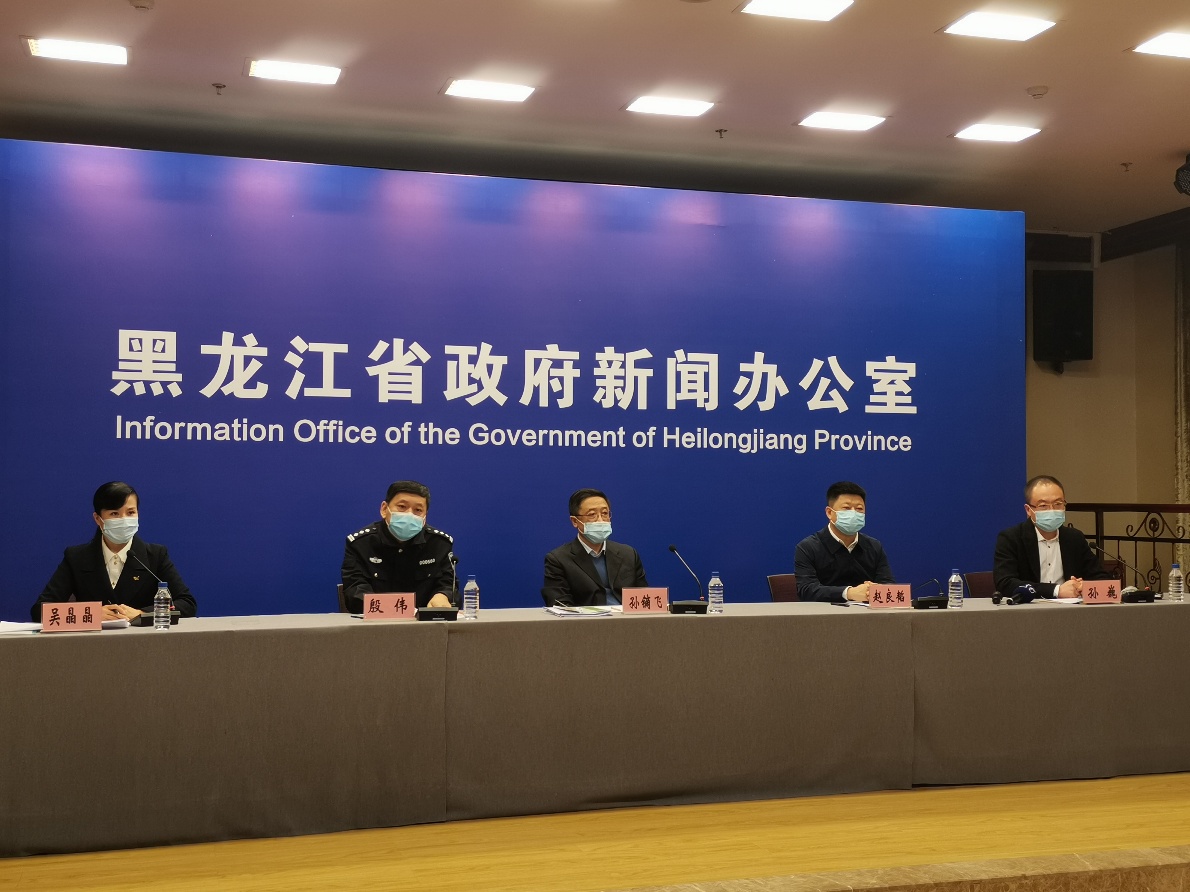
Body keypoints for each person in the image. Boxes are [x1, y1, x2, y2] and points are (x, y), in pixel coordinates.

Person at [31, 481, 197, 622]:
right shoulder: (77, 557)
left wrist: (142, 613)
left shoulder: (156, 555)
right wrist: (91, 614)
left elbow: (187, 604)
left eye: (130, 512)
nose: (124, 519)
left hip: (143, 644)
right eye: (114, 514)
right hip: (91, 645)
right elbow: (40, 610)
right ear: (98, 519)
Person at [341, 480, 456, 613]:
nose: (409, 514)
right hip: (376, 622)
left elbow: (448, 584)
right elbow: (355, 591)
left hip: (425, 623)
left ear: (425, 516)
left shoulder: (439, 544)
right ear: (384, 509)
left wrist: (443, 595)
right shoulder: (360, 544)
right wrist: (397, 609)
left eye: (418, 510)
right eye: (402, 507)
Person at [993, 475, 1108, 599]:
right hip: (1028, 608)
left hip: (1071, 609)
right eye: (1043, 505)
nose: (1052, 510)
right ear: (1028, 510)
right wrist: (1056, 590)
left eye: (1058, 504)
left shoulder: (1074, 538)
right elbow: (1005, 583)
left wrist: (1084, 586)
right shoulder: (1011, 538)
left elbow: (1101, 577)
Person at [541, 488, 648, 606]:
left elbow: (644, 600)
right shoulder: (558, 560)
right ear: (575, 521)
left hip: (626, 617)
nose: (600, 520)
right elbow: (560, 605)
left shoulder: (628, 554)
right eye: (592, 515)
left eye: (605, 513)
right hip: (586, 618)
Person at [794, 481, 895, 603]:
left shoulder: (874, 546)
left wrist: (876, 589)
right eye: (846, 508)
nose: (853, 513)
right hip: (825, 613)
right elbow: (807, 590)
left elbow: (888, 585)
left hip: (867, 613)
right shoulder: (808, 547)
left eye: (859, 509)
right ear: (829, 513)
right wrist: (849, 593)